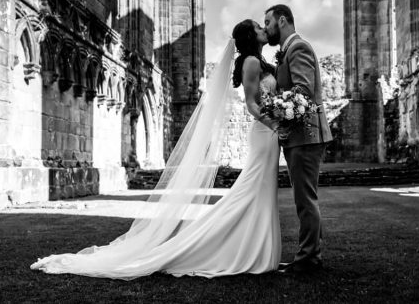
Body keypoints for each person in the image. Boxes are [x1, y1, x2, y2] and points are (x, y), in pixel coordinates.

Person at [30, 19, 281, 279]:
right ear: (251, 37)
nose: (264, 29)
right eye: (259, 28)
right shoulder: (251, 62)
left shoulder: (261, 63)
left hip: (269, 132)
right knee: (251, 190)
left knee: (259, 190)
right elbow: (252, 104)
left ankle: (255, 246)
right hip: (266, 132)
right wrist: (277, 124)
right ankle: (230, 248)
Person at [264, 3, 332, 275]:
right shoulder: (287, 52)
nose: (266, 27)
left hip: (305, 136)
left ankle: (308, 259)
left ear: (282, 21)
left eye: (268, 22)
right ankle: (309, 255)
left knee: (305, 200)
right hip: (299, 136)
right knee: (303, 199)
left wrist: (273, 110)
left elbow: (302, 92)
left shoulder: (298, 48)